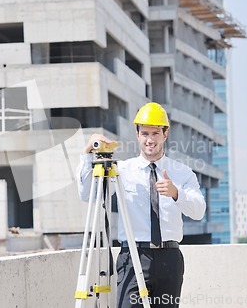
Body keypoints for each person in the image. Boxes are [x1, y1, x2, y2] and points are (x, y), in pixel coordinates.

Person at [76, 102, 206, 308]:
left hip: (169, 259)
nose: (150, 140)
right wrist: (86, 153)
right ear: (137, 135)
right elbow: (87, 195)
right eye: (145, 133)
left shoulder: (182, 172)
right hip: (133, 256)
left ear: (165, 134)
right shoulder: (122, 170)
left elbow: (199, 211)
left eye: (155, 133)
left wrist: (176, 194)